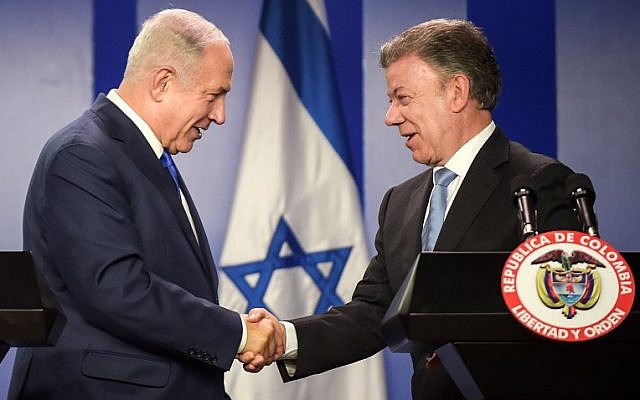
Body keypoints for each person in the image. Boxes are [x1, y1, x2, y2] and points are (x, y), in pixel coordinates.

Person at [242, 18, 581, 397]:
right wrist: (283, 337)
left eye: (403, 99)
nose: (391, 117)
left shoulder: (538, 183)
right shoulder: (399, 203)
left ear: (456, 92)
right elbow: (375, 311)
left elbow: (565, 312)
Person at [9, 8, 283, 400]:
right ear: (163, 83)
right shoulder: (83, 154)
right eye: (214, 95)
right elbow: (119, 290)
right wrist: (239, 333)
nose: (220, 116)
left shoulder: (140, 157)